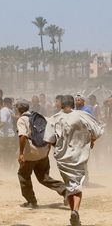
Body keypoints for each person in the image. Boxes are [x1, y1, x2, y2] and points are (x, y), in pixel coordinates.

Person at [46, 95, 105, 226]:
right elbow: (97, 131)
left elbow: (49, 139)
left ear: (61, 105)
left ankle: (73, 211)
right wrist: (91, 141)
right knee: (76, 185)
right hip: (79, 155)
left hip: (62, 158)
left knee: (70, 185)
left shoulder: (54, 118)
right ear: (73, 104)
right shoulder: (83, 115)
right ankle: (75, 211)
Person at [14, 99, 66, 208]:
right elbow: (52, 131)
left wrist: (21, 154)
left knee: (23, 176)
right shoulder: (39, 116)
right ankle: (65, 191)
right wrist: (49, 147)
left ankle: (31, 201)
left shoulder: (22, 120)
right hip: (43, 152)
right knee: (44, 177)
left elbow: (23, 136)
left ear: (19, 109)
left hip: (30, 154)